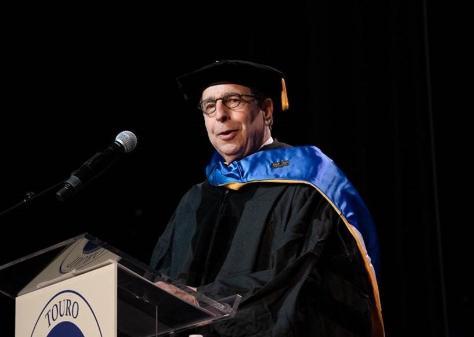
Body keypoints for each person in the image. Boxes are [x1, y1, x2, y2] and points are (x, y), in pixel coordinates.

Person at [150, 59, 384, 337]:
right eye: (209, 106)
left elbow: (307, 285)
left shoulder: (308, 184)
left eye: (233, 101)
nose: (220, 115)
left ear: (267, 110)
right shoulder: (196, 199)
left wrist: (204, 301)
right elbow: (161, 283)